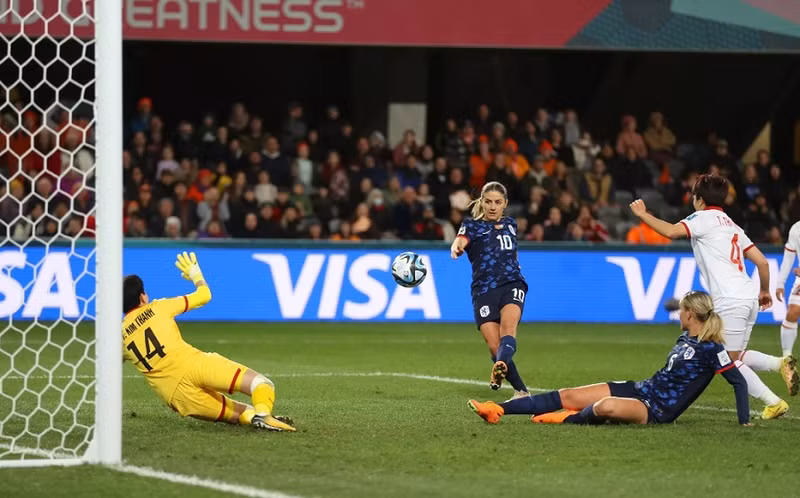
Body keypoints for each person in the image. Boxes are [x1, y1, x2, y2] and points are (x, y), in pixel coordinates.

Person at [629, 174, 796, 418]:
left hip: (730, 299)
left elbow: (671, 232)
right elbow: (762, 262)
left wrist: (643, 214)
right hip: (747, 297)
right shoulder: (732, 225)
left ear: (698, 199)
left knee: (727, 359)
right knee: (735, 355)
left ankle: (773, 401)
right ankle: (778, 363)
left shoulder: (701, 218)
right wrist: (763, 291)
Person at [469, 291, 750, 426]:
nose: (679, 315)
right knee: (570, 393)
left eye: (682, 311)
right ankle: (498, 409)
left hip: (656, 411)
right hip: (641, 390)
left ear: (690, 314)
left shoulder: (713, 349)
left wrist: (744, 421)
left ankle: (567, 420)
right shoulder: (684, 339)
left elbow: (738, 382)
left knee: (604, 406)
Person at [122, 252, 295, 432]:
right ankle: (264, 414)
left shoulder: (120, 336)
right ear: (143, 297)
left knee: (239, 414)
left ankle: (258, 417)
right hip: (194, 365)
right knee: (261, 384)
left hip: (177, 397)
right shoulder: (158, 307)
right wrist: (196, 275)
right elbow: (204, 295)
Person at [449, 182, 529, 398]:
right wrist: (457, 246)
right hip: (483, 290)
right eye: (488, 202)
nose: (493, 207)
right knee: (495, 347)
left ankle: (511, 379)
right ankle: (519, 388)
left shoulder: (511, 224)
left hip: (512, 284)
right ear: (481, 202)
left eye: (497, 202)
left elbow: (513, 254)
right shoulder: (471, 226)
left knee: (508, 328)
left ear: (505, 204)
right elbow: (461, 239)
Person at [776, 220, 800, 364]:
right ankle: (787, 359)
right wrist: (780, 283)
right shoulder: (796, 228)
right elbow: (789, 257)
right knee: (792, 312)